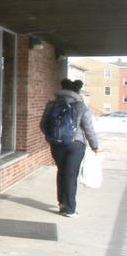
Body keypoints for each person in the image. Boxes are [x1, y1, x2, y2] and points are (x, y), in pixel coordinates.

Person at [40, 79, 99, 217]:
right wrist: (94, 146)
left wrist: (54, 137)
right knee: (71, 175)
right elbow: (89, 129)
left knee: (62, 172)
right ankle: (70, 209)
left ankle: (62, 203)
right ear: (77, 92)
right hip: (76, 145)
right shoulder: (81, 106)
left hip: (57, 145)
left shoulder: (52, 105)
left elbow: (43, 125)